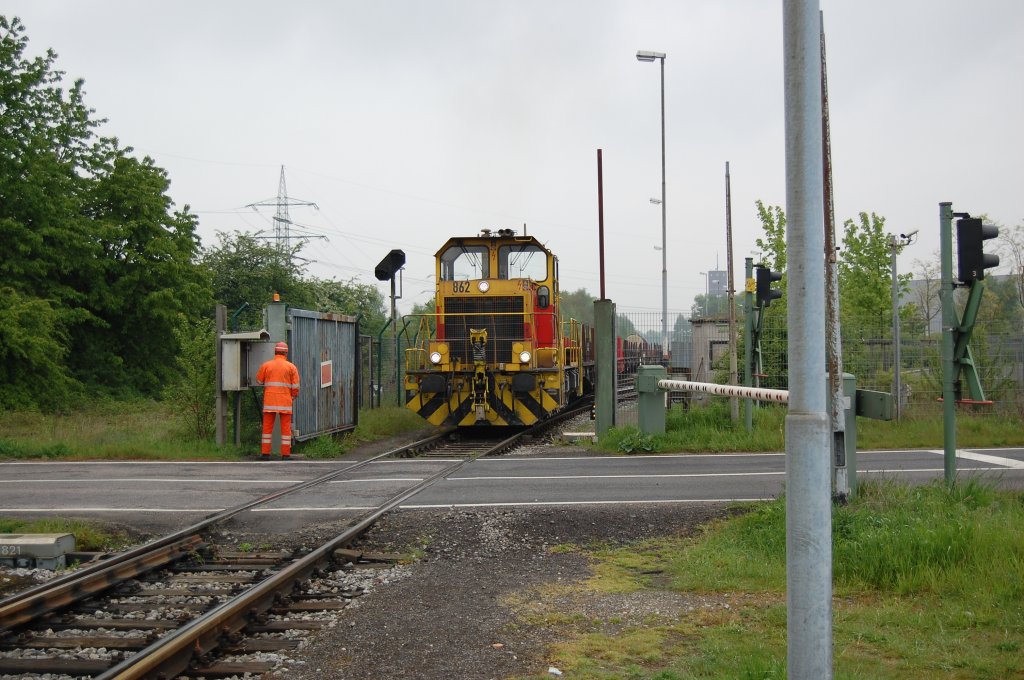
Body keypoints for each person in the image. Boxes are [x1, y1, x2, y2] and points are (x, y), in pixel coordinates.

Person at [255, 341, 300, 459]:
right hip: (285, 402)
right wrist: (293, 396)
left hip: (269, 402)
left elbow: (259, 381)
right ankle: (285, 455)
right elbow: (295, 386)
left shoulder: (266, 365)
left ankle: (265, 454)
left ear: (275, 352)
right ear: (286, 353)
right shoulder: (291, 367)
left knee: (267, 428)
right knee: (285, 429)